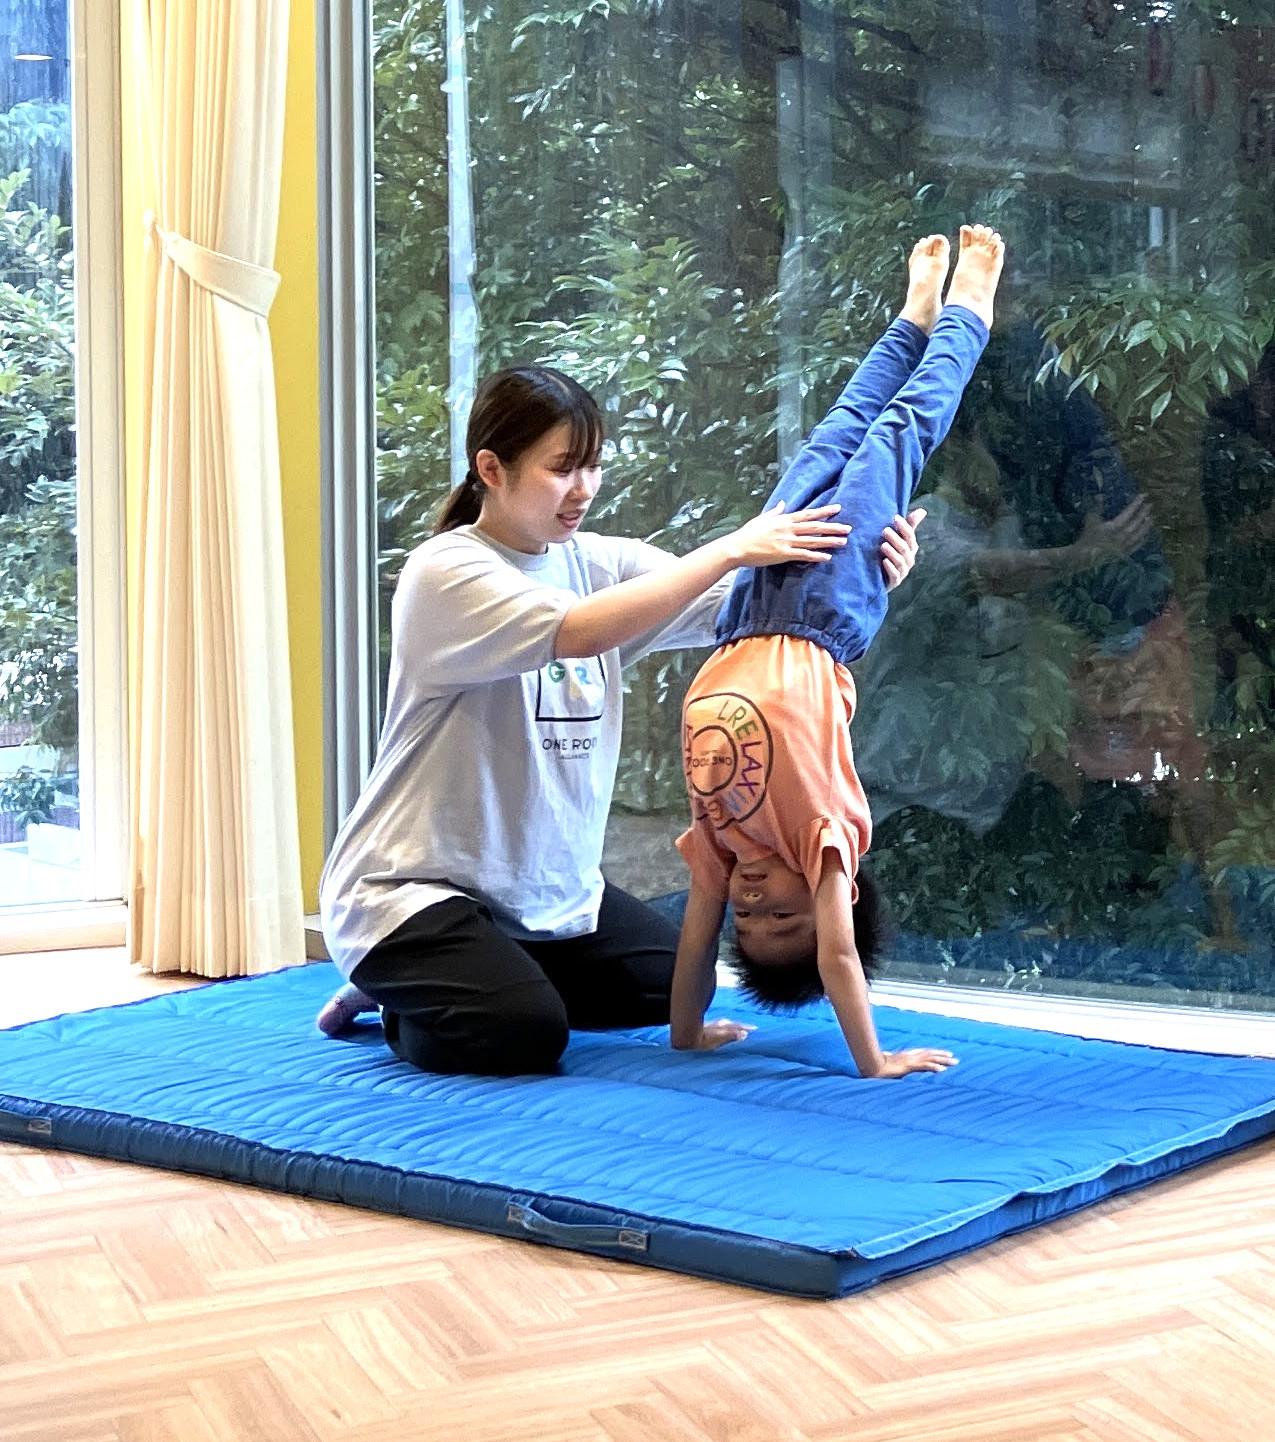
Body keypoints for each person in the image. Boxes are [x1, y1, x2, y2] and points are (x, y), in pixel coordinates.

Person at [315, 365, 916, 1077]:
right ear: (492, 469)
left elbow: (751, 607)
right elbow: (579, 629)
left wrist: (868, 577)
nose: (584, 488)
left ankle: (470, 974)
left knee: (670, 984)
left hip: (537, 899)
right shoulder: (445, 570)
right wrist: (731, 544)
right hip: (411, 890)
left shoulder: (598, 562)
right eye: (562, 468)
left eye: (592, 465)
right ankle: (401, 992)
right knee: (523, 1034)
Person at [665, 225, 1002, 1077]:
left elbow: (694, 943)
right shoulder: (825, 836)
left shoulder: (718, 844)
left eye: (749, 923)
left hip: (748, 607)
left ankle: (912, 318)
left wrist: (685, 1032)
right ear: (832, 901)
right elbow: (839, 957)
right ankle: (969, 311)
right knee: (896, 434)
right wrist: (873, 1059)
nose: (752, 905)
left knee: (838, 429)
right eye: (782, 917)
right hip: (824, 612)